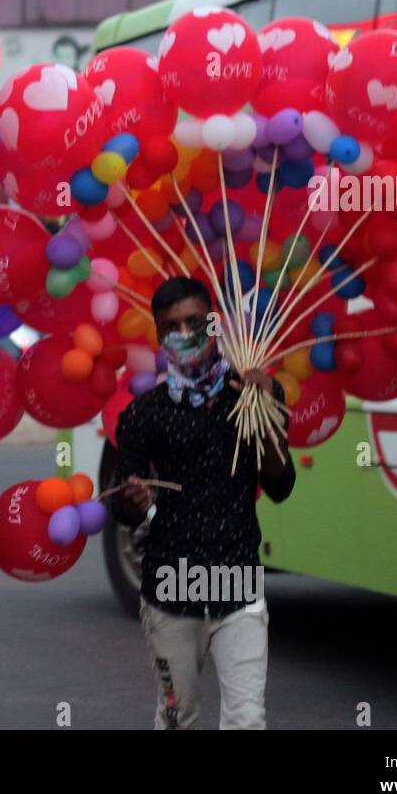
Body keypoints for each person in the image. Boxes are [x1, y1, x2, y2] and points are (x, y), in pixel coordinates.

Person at [110, 276, 295, 730]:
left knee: (247, 719)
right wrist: (135, 499)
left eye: (195, 321)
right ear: (159, 335)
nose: (185, 333)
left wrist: (266, 412)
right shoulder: (143, 413)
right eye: (172, 326)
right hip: (172, 592)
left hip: (238, 585)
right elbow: (122, 504)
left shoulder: (251, 396)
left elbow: (280, 485)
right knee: (179, 719)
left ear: (214, 323)